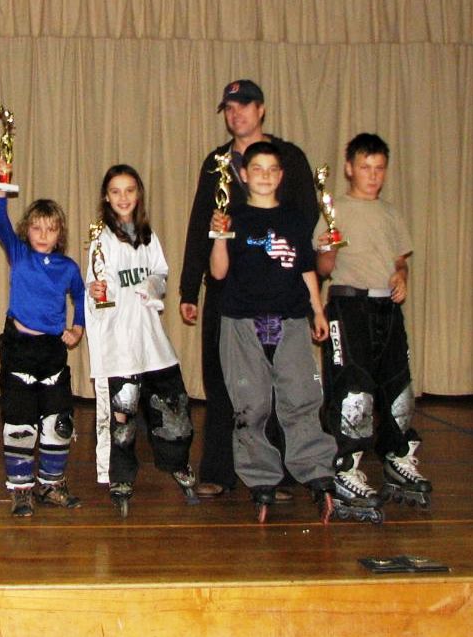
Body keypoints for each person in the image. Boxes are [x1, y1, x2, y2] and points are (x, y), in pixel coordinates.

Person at [179, 79, 318, 500]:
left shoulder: (289, 157)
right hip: (227, 289)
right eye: (229, 108)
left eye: (243, 106)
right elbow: (201, 223)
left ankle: (281, 475)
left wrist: (311, 290)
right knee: (223, 382)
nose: (235, 114)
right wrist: (189, 288)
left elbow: (305, 222)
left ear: (261, 109)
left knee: (281, 386)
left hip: (279, 290)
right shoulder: (216, 162)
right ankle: (220, 471)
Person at [209, 141, 337, 523]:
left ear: (280, 176)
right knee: (252, 404)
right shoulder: (233, 218)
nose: (264, 175)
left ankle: (317, 472)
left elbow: (306, 269)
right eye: (257, 169)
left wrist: (317, 310)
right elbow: (217, 273)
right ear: (243, 175)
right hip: (242, 321)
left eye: (272, 169)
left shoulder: (297, 219)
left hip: (291, 319)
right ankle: (261, 478)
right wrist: (219, 236)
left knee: (301, 398)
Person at [316, 133, 430, 516]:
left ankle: (398, 455)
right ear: (349, 169)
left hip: (388, 308)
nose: (372, 175)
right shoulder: (336, 209)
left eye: (379, 168)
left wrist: (402, 276)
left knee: (398, 386)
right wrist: (329, 249)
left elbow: (400, 261)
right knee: (355, 390)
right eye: (365, 167)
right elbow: (323, 268)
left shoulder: (391, 213)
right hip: (350, 305)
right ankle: (347, 465)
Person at [85, 165, 197, 517]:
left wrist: (151, 287)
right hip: (120, 343)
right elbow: (94, 288)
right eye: (115, 191)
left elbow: (161, 274)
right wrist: (96, 291)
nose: (123, 197)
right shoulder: (100, 241)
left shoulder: (148, 236)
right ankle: (121, 477)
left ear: (138, 194)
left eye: (129, 190)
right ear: (106, 196)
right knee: (124, 414)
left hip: (152, 339)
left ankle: (177, 462)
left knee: (172, 404)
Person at [0, 158, 86, 517]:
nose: (43, 235)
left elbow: (80, 296)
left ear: (59, 233)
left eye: (51, 229)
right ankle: (21, 490)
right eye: (37, 228)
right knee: (19, 424)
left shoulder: (68, 267)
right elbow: (0, 223)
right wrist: (1, 188)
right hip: (19, 349)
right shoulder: (19, 255)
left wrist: (77, 327)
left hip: (52, 352)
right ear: (26, 231)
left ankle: (51, 485)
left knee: (58, 423)